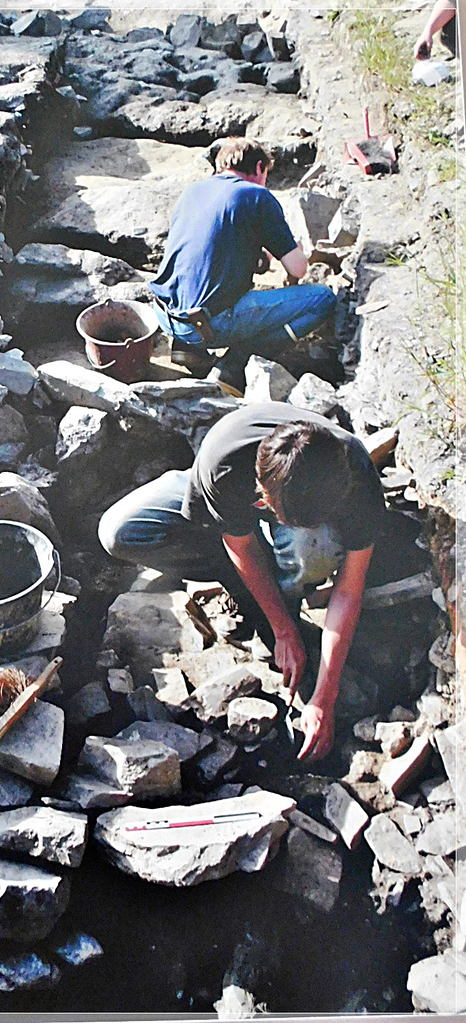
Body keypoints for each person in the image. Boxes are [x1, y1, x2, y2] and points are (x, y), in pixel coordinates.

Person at [98, 403, 385, 763]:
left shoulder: (355, 480)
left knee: (310, 548)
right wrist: (283, 630)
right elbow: (242, 548)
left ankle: (288, 575)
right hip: (223, 492)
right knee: (119, 533)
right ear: (260, 491)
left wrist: (324, 697)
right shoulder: (224, 462)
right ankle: (256, 581)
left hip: (294, 517)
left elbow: (348, 590)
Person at [150, 137, 337, 396]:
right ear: (259, 168)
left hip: (164, 314)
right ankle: (232, 367)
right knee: (323, 299)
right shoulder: (257, 195)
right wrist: (294, 249)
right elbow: (298, 269)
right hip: (209, 324)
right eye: (266, 175)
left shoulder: (193, 191)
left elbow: (203, 250)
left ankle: (186, 350)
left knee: (198, 284)